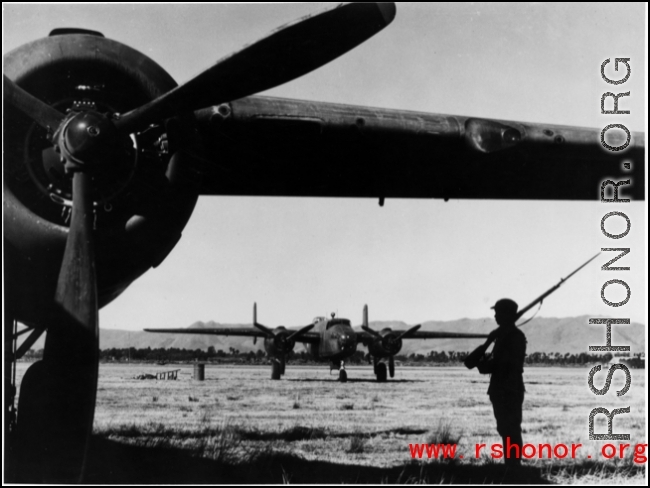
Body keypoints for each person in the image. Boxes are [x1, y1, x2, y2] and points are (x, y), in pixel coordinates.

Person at [477, 298, 527, 467]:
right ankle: (511, 465)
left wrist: (485, 364)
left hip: (508, 388)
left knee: (510, 429)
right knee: (505, 429)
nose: (495, 316)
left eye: (498, 313)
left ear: (507, 315)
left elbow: (505, 364)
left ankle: (513, 467)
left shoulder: (513, 337)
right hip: (502, 388)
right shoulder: (504, 335)